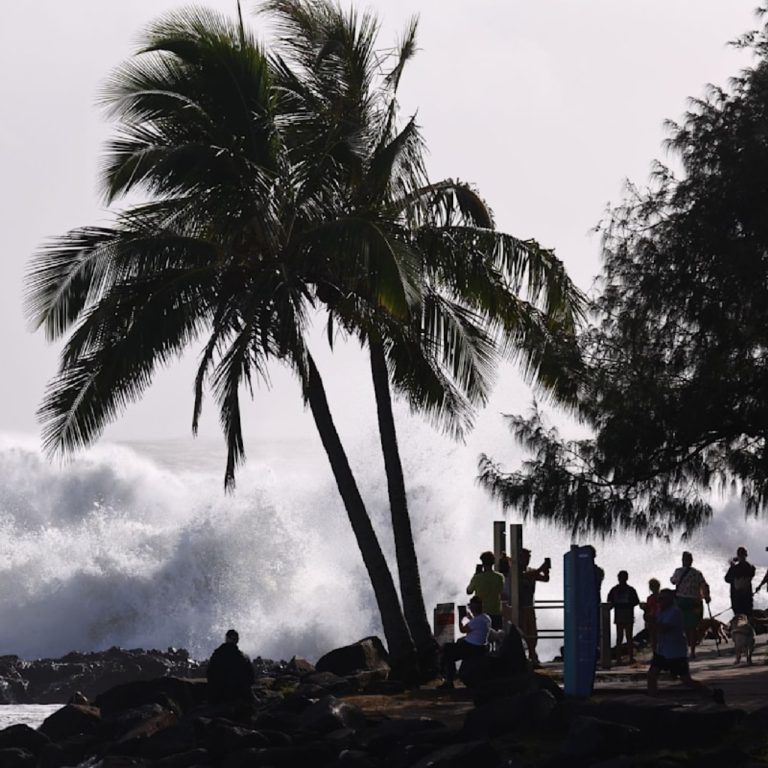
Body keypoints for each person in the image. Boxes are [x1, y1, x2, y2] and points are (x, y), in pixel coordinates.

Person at [647, 589, 724, 704]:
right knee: (652, 675)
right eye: (658, 599)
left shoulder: (675, 612)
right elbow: (654, 629)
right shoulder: (660, 611)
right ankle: (653, 701)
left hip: (675, 652)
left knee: (686, 680)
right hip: (662, 651)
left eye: (662, 599)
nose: (659, 601)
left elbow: (664, 629)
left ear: (670, 600)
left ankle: (712, 693)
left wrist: (651, 621)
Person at [439, 596, 491, 689]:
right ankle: (448, 675)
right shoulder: (486, 618)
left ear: (473, 608)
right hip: (480, 647)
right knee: (456, 643)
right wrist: (471, 618)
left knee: (447, 650)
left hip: (471, 647)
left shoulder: (476, 620)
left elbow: (462, 629)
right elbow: (476, 627)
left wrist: (460, 618)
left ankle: (449, 680)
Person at [670, 551, 710, 659]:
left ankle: (681, 650)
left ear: (683, 560)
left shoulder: (678, 571)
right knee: (693, 627)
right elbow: (704, 585)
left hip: (681, 601)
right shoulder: (697, 573)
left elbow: (672, 581)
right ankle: (692, 651)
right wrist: (707, 597)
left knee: (680, 626)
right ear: (691, 561)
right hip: (695, 602)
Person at [207, 629, 256, 707]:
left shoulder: (217, 654)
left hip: (219, 697)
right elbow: (251, 679)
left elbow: (209, 674)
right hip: (239, 696)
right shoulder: (244, 657)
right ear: (237, 640)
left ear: (226, 638)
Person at [519, 548, 551, 667]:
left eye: (528, 557)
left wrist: (546, 570)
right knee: (524, 633)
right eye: (525, 557)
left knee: (533, 633)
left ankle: (533, 656)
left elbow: (545, 579)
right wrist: (541, 568)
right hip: (520, 607)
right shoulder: (516, 571)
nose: (527, 560)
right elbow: (526, 576)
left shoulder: (531, 571)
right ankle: (531, 656)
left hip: (530, 606)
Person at [607, 570, 640, 664]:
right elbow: (636, 601)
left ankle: (619, 658)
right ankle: (630, 657)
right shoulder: (630, 589)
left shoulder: (614, 589)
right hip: (627, 614)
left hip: (620, 614)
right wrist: (629, 604)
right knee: (628, 637)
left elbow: (609, 602)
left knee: (620, 637)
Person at [466, 551, 505, 630]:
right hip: (496, 612)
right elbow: (501, 591)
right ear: (493, 562)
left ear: (482, 563)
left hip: (481, 613)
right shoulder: (500, 577)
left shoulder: (477, 578)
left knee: (482, 637)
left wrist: (476, 574)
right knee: (496, 637)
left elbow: (468, 591)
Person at [725, 547, 756, 618]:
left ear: (738, 555)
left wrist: (732, 566)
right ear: (746, 555)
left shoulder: (735, 569)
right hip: (748, 599)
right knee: (748, 618)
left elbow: (727, 579)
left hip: (737, 600)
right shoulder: (751, 568)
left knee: (739, 619)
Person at [641, 578, 661, 653]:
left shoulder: (650, 598)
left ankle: (655, 653)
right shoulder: (662, 597)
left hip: (652, 618)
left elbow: (648, 609)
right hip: (661, 618)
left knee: (653, 638)